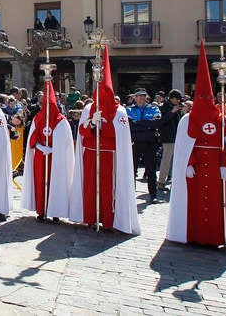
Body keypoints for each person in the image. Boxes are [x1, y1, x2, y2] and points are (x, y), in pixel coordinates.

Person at [167, 44, 226, 248]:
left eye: (206, 97)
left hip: (216, 168)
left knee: (215, 204)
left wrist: (225, 164)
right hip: (196, 169)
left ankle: (216, 237)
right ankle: (192, 234)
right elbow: (184, 146)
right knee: (195, 204)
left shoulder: (222, 119)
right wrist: (188, 163)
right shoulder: (187, 120)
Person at [69, 46, 140, 234]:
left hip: (110, 156)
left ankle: (109, 219)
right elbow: (82, 131)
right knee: (91, 187)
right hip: (91, 154)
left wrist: (104, 125)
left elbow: (121, 134)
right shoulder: (89, 109)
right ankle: (91, 217)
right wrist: (92, 123)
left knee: (109, 189)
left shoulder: (120, 111)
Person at [22, 80, 74, 222]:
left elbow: (66, 141)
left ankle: (56, 211)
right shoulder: (38, 118)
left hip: (56, 158)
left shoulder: (61, 120)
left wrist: (54, 148)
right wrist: (40, 147)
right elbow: (32, 138)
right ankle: (41, 209)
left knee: (56, 183)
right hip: (40, 155)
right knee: (40, 182)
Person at [127, 88, 162, 203]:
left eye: (143, 96)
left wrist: (138, 122)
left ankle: (153, 195)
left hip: (150, 143)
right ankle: (130, 195)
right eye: (139, 96)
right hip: (135, 143)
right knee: (132, 170)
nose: (141, 98)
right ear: (134, 98)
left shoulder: (153, 108)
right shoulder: (129, 109)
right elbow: (129, 125)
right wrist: (146, 125)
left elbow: (156, 123)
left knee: (151, 170)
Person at [158, 89, 184, 190]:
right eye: (177, 99)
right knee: (166, 160)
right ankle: (161, 181)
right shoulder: (163, 107)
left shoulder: (178, 107)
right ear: (172, 98)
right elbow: (161, 121)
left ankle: (175, 180)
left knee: (177, 161)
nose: (179, 101)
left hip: (178, 137)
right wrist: (172, 112)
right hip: (168, 137)